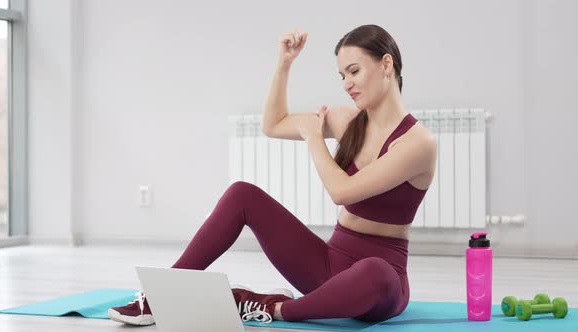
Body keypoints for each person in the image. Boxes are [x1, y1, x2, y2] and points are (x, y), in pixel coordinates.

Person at [108, 24, 437, 326]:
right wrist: (284, 63)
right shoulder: (347, 120)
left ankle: (271, 307)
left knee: (374, 272)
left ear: (386, 65)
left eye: (353, 71)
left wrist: (313, 140)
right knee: (242, 195)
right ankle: (160, 295)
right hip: (327, 265)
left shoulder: (418, 143)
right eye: (341, 76)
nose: (347, 84)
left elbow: (343, 191)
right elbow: (273, 124)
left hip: (380, 283)